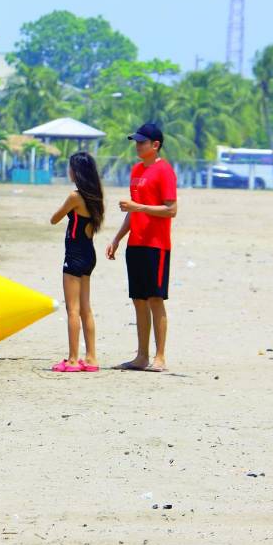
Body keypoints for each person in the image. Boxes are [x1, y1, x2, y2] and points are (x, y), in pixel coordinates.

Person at [106, 123, 178, 372]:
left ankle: (160, 357)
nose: (137, 146)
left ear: (155, 145)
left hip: (156, 246)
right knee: (138, 300)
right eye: (136, 142)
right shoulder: (136, 169)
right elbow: (133, 210)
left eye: (142, 142)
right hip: (135, 243)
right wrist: (117, 239)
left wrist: (139, 208)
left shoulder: (164, 170)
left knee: (155, 299)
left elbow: (171, 209)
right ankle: (141, 356)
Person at [49, 152, 105, 372]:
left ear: (77, 172)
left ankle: (72, 359)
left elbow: (55, 219)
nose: (68, 171)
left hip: (74, 255)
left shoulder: (75, 196)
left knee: (72, 309)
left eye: (70, 168)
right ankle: (91, 358)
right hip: (89, 254)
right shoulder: (95, 196)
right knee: (85, 309)